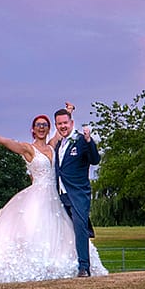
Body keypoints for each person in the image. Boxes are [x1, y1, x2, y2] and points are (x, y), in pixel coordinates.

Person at [0, 114, 108, 286]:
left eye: (44, 124)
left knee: (66, 232)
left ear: (49, 128)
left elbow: (64, 128)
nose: (41, 127)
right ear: (33, 129)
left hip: (57, 196)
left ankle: (79, 266)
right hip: (38, 197)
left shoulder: (53, 146)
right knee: (35, 231)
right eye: (38, 125)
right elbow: (6, 142)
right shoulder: (28, 148)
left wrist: (69, 112)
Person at [53, 104, 100, 278]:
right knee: (65, 229)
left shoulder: (81, 140)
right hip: (62, 193)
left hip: (78, 193)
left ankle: (84, 267)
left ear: (71, 123)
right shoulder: (59, 144)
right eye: (59, 124)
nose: (63, 126)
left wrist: (89, 141)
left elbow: (94, 160)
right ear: (56, 125)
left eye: (65, 123)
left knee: (79, 228)